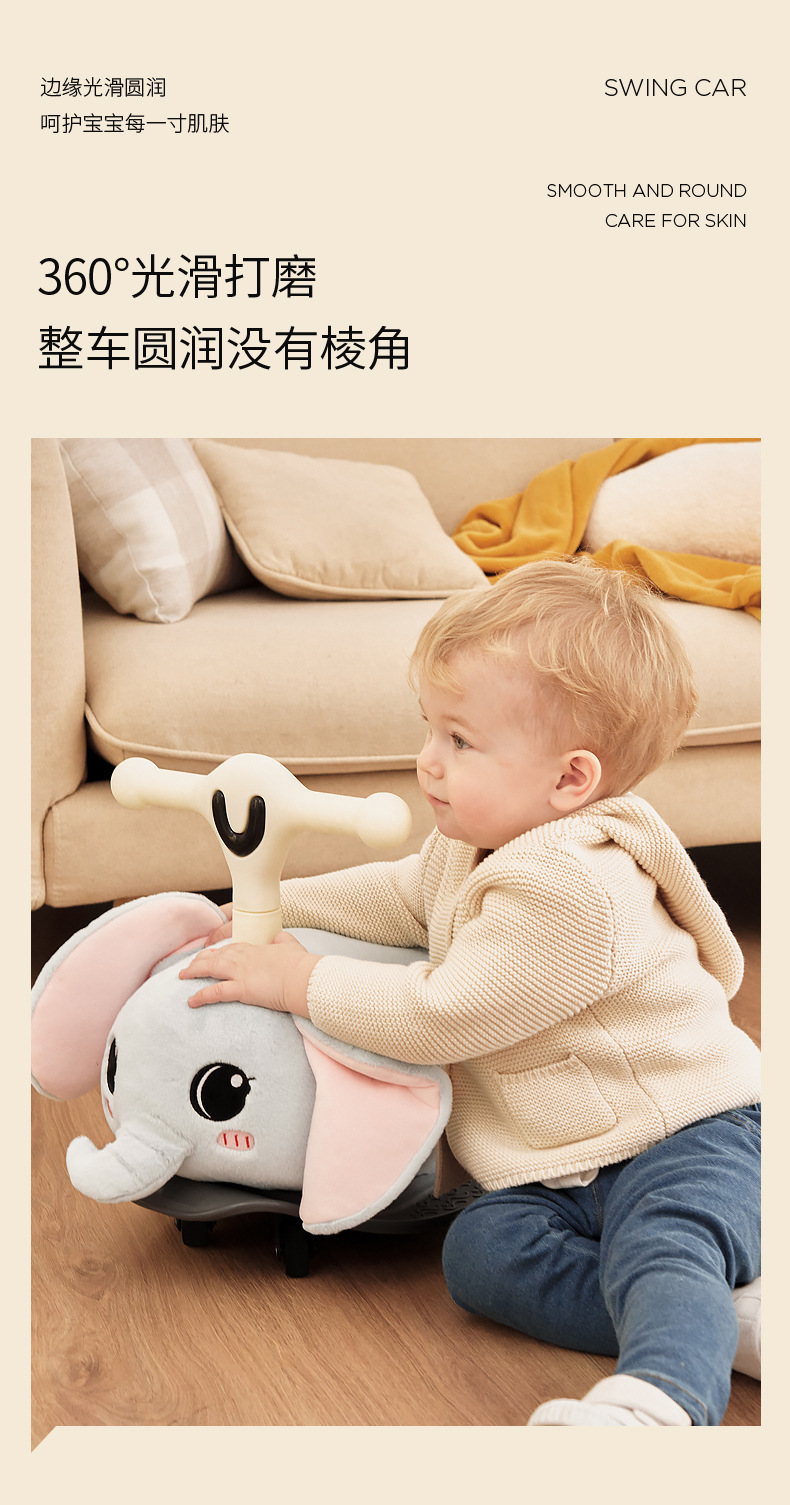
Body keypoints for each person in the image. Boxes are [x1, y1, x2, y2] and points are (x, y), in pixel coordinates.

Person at [180, 557, 761, 1427]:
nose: (428, 762)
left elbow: (441, 1013)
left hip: (688, 1135)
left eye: (460, 741)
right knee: (482, 1254)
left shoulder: (573, 887)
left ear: (570, 780)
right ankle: (709, 1316)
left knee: (665, 1239)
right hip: (563, 1161)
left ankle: (659, 1400)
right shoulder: (475, 841)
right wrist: (270, 906)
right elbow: (399, 896)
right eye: (430, 729)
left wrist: (300, 981)